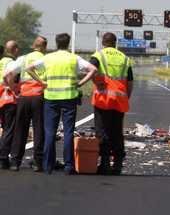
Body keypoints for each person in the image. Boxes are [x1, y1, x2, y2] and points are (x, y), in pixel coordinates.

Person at [25, 33, 97, 175]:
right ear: (68, 43)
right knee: (68, 132)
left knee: (50, 132)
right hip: (69, 97)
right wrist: (81, 83)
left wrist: (42, 82)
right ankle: (69, 166)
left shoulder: (48, 57)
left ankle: (48, 166)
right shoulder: (73, 58)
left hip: (51, 97)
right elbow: (93, 69)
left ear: (56, 43)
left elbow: (29, 68)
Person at [90, 32, 133, 175]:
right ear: (116, 43)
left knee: (102, 131)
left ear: (103, 42)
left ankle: (104, 163)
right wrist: (126, 97)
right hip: (120, 99)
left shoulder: (98, 55)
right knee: (116, 132)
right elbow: (130, 81)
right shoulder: (125, 58)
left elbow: (90, 71)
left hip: (103, 99)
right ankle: (118, 165)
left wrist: (98, 83)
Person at [3, 36, 48, 171]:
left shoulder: (24, 58)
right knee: (39, 129)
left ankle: (15, 161)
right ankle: (37, 162)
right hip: (39, 97)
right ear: (44, 47)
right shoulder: (46, 59)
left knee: (20, 129)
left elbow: (8, 74)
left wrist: (14, 89)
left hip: (24, 96)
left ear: (33, 45)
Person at [0, 41, 20, 170]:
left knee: (3, 127)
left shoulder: (1, 61)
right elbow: (10, 77)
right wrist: (14, 90)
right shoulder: (11, 62)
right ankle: (3, 158)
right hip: (7, 96)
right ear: (15, 50)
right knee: (9, 128)